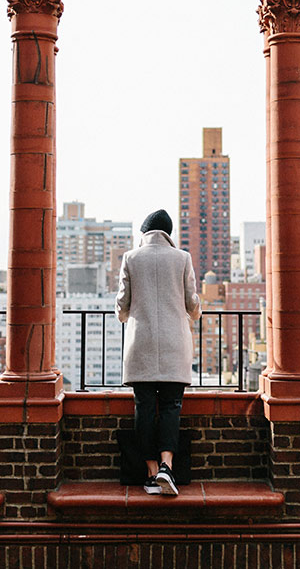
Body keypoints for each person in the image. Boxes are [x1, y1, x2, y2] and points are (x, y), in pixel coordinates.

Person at [116, 209, 201, 496]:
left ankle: (152, 473)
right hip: (174, 343)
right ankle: (167, 466)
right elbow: (192, 303)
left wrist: (127, 314)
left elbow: (122, 303)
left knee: (144, 407)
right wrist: (192, 313)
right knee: (170, 406)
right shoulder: (182, 258)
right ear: (168, 233)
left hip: (140, 343)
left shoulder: (130, 258)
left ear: (144, 233)